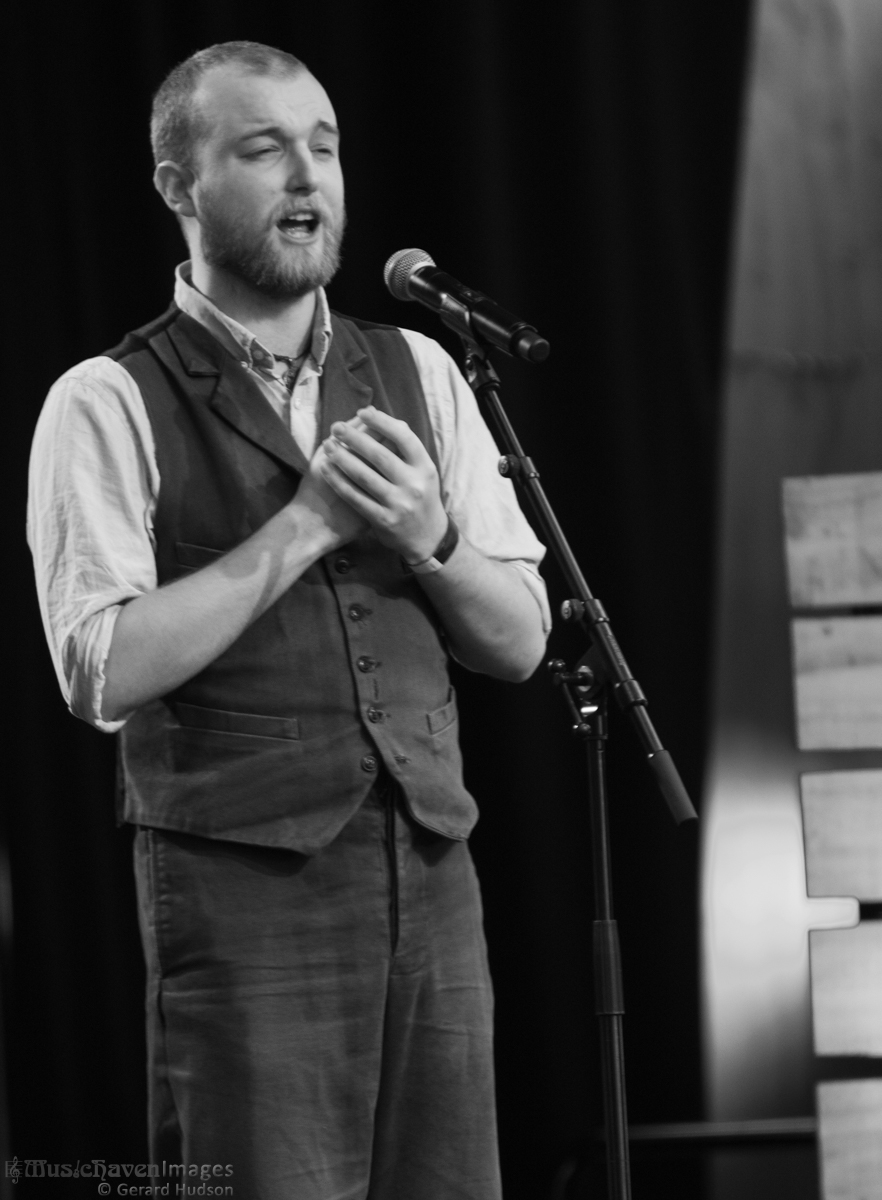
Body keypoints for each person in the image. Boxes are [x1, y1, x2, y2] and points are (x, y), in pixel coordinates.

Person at [28, 40, 550, 1200]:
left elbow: (520, 642)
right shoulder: (105, 400)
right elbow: (100, 670)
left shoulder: (419, 369)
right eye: (265, 150)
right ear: (178, 184)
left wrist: (431, 537)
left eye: (324, 146)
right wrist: (307, 523)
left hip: (432, 872)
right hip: (242, 893)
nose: (308, 177)